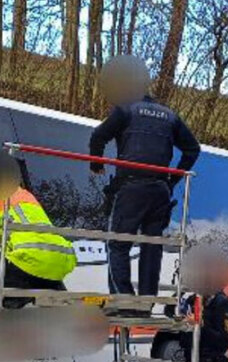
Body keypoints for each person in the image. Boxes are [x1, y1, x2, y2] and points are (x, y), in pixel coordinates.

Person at [88, 66, 200, 304]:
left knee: (118, 244)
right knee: (152, 246)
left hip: (130, 187)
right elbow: (193, 149)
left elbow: (98, 136)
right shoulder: (170, 116)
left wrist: (96, 164)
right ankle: (147, 300)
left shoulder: (126, 109)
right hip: (159, 190)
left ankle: (124, 299)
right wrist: (172, 180)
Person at [0, 186, 76, 307]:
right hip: (62, 259)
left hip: (33, 257)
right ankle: (53, 291)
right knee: (39, 269)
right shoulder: (26, 195)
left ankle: (17, 297)